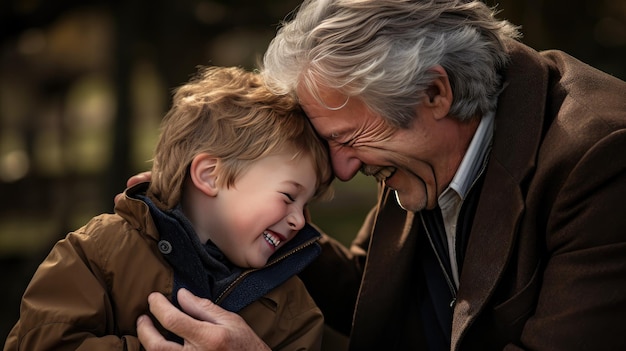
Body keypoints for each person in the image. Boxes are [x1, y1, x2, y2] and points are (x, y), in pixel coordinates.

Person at [130, 0, 626, 350]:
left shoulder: (602, 159)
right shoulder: (418, 150)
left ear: (435, 92)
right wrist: (243, 214)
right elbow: (370, 295)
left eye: (347, 139)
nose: (342, 169)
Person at [4, 66, 334, 351]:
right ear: (210, 175)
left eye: (306, 205)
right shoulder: (99, 252)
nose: (299, 221)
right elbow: (42, 342)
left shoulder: (294, 308)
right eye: (290, 197)